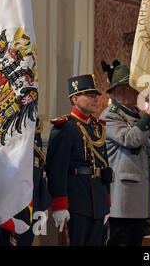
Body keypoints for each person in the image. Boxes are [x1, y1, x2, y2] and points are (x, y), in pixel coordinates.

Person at [46, 74, 113, 246]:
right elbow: (56, 170)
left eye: (96, 95)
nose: (96, 99)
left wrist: (106, 202)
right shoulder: (64, 128)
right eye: (89, 95)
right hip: (76, 201)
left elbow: (103, 167)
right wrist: (60, 205)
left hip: (98, 200)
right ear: (75, 98)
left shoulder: (97, 128)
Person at [100, 60, 150, 246]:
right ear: (121, 91)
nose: (139, 93)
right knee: (120, 241)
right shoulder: (110, 115)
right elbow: (131, 139)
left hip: (138, 196)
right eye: (135, 88)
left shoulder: (134, 115)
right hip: (123, 197)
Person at [0, 118, 51, 246]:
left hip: (30, 201)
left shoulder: (30, 119)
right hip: (3, 203)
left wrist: (40, 201)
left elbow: (36, 165)